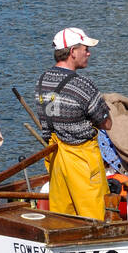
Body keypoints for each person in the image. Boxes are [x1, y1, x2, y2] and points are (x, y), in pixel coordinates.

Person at [36, 27, 113, 221]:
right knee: (96, 216)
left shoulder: (43, 80)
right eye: (85, 48)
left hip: (56, 160)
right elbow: (107, 123)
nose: (88, 52)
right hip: (82, 160)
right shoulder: (82, 85)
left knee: (63, 217)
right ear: (72, 52)